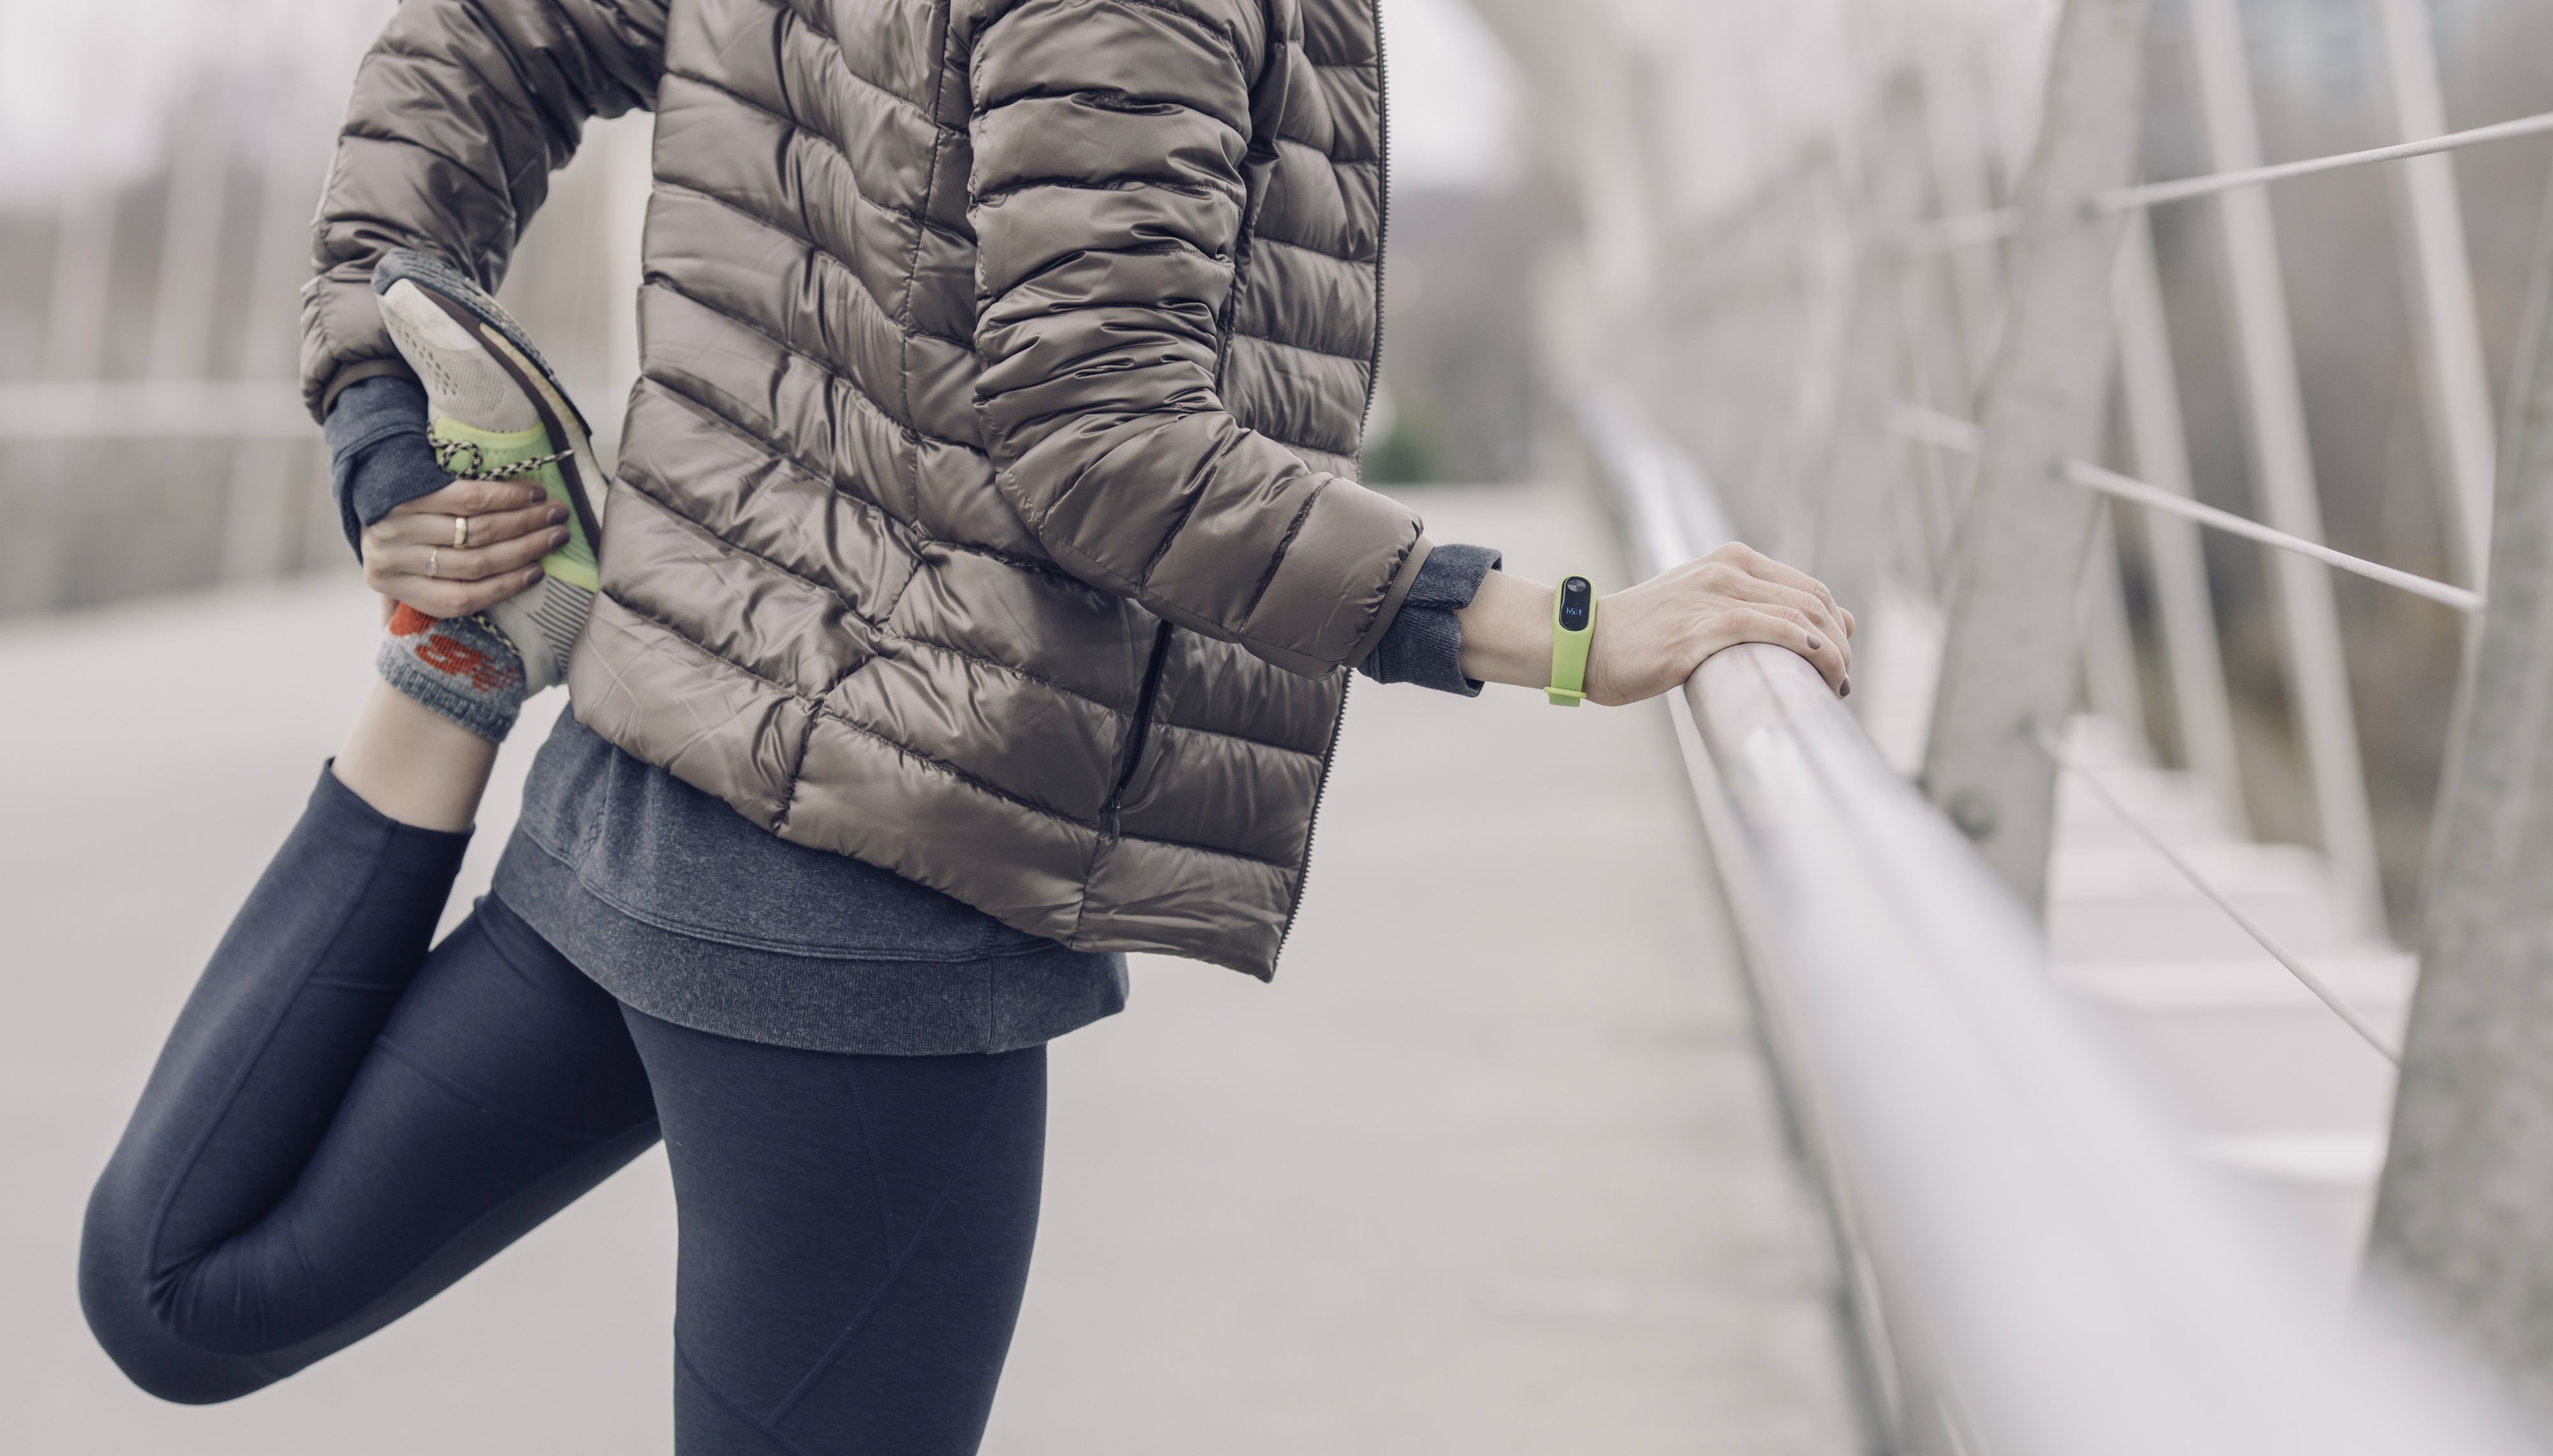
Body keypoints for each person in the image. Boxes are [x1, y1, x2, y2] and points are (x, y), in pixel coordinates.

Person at [77, 0, 1854, 1450]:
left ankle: (459, 673)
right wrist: (1560, 632)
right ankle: (475, 656)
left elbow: (475, 41)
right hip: (868, 910)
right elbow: (1103, 441)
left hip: (632, 799)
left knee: (184, 1280)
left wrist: (388, 406)